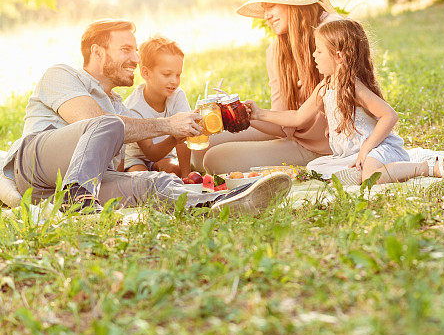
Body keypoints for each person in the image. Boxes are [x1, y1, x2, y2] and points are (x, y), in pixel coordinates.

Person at [0, 19, 290, 213]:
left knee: (153, 183)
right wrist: (167, 124)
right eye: (126, 49)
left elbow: (129, 154)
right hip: (34, 165)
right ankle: (81, 200)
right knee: (107, 123)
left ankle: (225, 201)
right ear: (97, 52)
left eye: (136, 50)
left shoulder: (120, 108)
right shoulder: (61, 74)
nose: (136, 59)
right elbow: (90, 121)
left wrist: (179, 134)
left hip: (66, 190)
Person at [246, 19, 444, 185]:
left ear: (338, 56)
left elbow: (389, 115)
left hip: (378, 147)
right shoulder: (324, 87)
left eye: (319, 50)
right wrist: (258, 114)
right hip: (351, 153)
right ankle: (370, 169)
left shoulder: (352, 87)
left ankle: (425, 168)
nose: (314, 55)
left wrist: (367, 148)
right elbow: (297, 116)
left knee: (370, 177)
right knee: (316, 169)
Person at [198, 0, 339, 174]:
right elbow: (282, 125)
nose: (267, 16)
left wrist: (335, 18)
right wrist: (250, 115)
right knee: (202, 144)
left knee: (215, 159)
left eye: (271, 6)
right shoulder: (277, 50)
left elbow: (356, 62)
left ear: (292, 2)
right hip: (294, 133)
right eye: (264, 8)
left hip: (325, 147)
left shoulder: (331, 32)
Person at [123, 35, 191, 178]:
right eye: (167, 74)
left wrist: (186, 177)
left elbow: (183, 140)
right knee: (142, 179)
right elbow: (151, 153)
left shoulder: (177, 96)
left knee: (174, 171)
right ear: (146, 73)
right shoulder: (133, 108)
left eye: (178, 75)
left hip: (165, 154)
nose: (174, 81)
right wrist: (175, 137)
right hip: (136, 158)